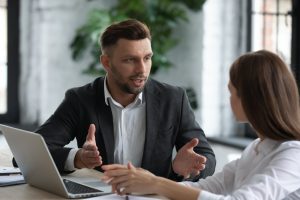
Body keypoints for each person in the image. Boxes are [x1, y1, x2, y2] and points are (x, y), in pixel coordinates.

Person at [31, 19, 216, 181]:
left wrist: (187, 170)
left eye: (147, 58)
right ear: (106, 63)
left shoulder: (174, 99)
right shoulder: (80, 100)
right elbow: (32, 153)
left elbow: (206, 156)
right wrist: (77, 158)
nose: (142, 69)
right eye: (130, 60)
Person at [102, 50, 300, 200]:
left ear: (251, 98)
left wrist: (157, 183)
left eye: (232, 92)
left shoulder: (293, 154)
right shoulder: (255, 148)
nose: (228, 100)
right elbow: (210, 187)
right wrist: (147, 183)